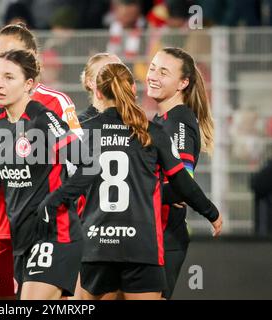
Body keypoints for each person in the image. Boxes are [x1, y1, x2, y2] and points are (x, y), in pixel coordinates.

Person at [45, 62, 222, 300]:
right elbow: (183, 183)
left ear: (98, 92)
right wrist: (211, 212)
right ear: (132, 89)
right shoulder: (152, 132)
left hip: (96, 245)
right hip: (142, 246)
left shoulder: (82, 133)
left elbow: (58, 180)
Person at [0, 50, 93, 300]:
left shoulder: (42, 118)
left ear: (28, 84)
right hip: (22, 240)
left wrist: (53, 203)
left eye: (9, 77)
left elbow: (88, 164)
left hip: (55, 234)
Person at [0, 23, 82, 299]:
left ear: (31, 58)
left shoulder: (55, 103)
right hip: (2, 228)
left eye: (10, 53)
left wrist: (54, 203)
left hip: (47, 229)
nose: (2, 60)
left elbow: (80, 162)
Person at [146, 47, 223, 299]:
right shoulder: (161, 120)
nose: (153, 76)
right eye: (152, 68)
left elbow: (181, 184)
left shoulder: (178, 121)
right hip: (149, 234)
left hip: (165, 237)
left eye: (163, 72)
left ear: (183, 83)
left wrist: (138, 193)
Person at [78, 53, 122, 123]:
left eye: (121, 72)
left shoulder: (137, 122)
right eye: (106, 73)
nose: (115, 78)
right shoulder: (80, 126)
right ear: (90, 82)